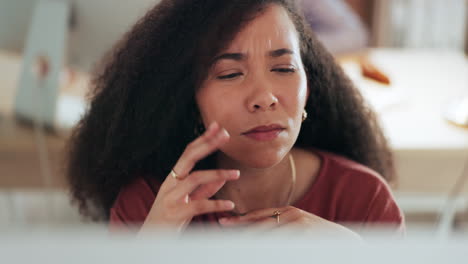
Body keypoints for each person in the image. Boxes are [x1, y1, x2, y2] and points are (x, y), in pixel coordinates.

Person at [66, 0, 404, 236]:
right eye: (229, 73)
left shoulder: (366, 199)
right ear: (188, 99)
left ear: (309, 87)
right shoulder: (147, 204)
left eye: (284, 68)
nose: (264, 97)